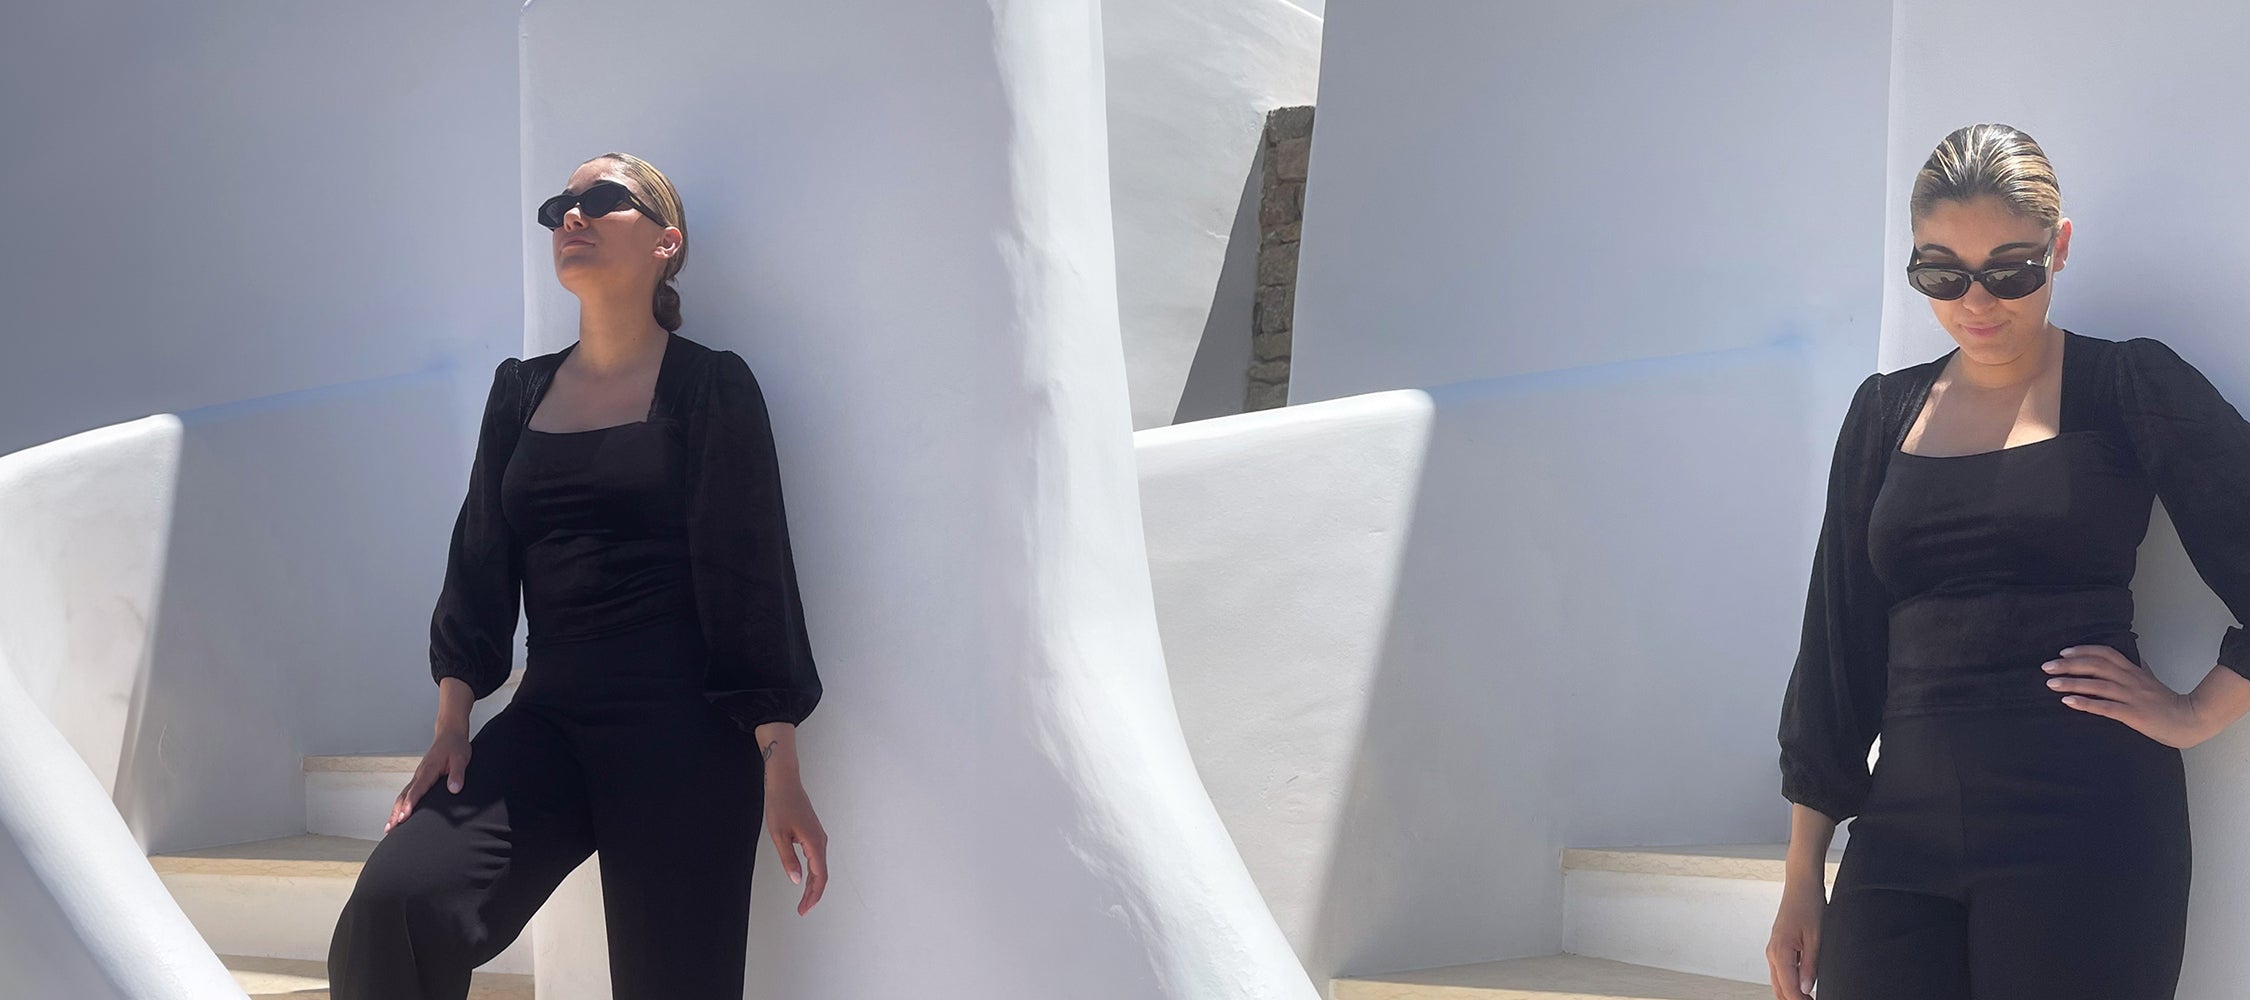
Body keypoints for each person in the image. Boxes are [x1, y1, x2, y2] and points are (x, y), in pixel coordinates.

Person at [327, 151, 830, 1000]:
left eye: (602, 200)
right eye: (561, 202)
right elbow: (480, 557)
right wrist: (454, 720)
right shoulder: (518, 392)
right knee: (394, 910)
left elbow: (753, 581)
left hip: (686, 733)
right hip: (550, 718)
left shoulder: (711, 387)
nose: (572, 215)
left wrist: (780, 767)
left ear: (667, 243)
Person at [1765, 124, 2250, 1000]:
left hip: (2088, 820)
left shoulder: (2128, 386)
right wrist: (1805, 869)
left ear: (2059, 248)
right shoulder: (1883, 412)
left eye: (2012, 269)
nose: (1976, 301)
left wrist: (2197, 712)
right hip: (1901, 823)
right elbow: (1837, 640)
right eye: (1941, 273)